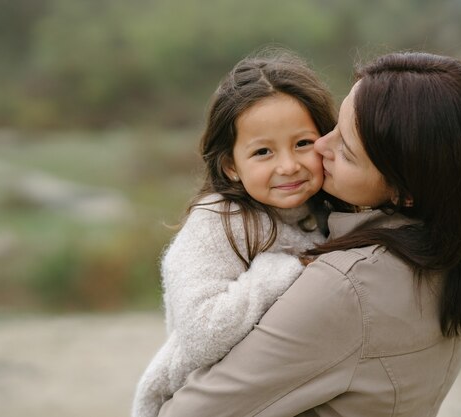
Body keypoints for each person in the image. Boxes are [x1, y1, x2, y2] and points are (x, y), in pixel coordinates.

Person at [157, 52, 461, 417]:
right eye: (335, 128)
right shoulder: (448, 255)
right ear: (230, 165)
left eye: (346, 149)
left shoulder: (347, 286)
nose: (321, 147)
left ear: (404, 191)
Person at [130, 50, 345, 417]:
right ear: (231, 165)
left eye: (302, 143)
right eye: (263, 151)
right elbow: (201, 335)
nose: (288, 165)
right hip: (205, 395)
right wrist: (282, 270)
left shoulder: (327, 211)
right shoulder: (216, 222)